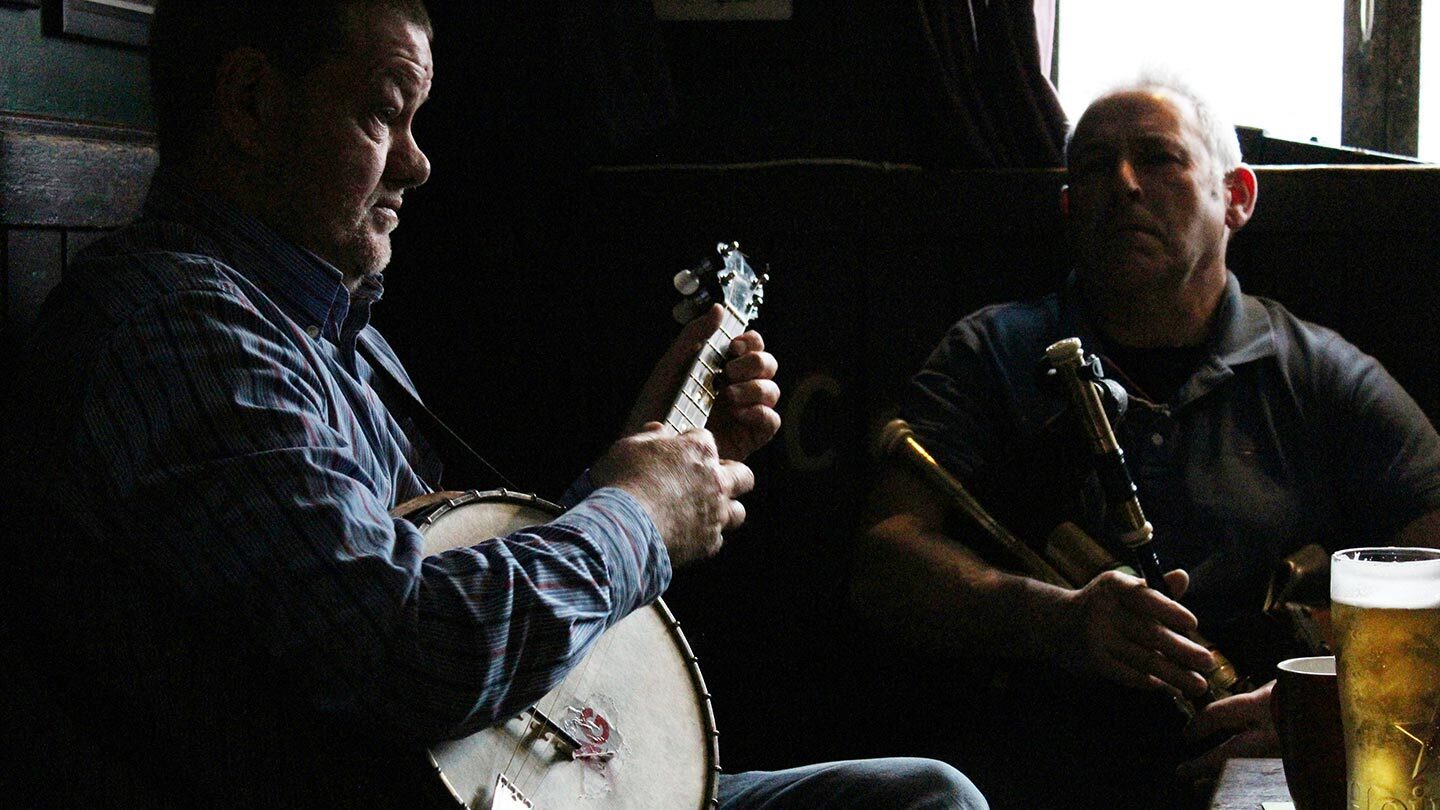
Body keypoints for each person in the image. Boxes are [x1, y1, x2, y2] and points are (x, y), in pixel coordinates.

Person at [0, 1, 988, 808]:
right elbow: (412, 647)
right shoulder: (179, 332)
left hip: (484, 775)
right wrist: (639, 514)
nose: (419, 163)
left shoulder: (328, 328)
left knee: (918, 791)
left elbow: (436, 569)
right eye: (385, 113)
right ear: (253, 103)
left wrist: (646, 462)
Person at [851, 72, 1440, 808]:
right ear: (1069, 207)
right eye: (1095, 166)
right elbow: (886, 559)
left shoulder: (1322, 374)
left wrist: (1328, 705)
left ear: (1238, 197)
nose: (1124, 184)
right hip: (1027, 776)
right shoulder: (989, 352)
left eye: (1160, 159)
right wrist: (1054, 622)